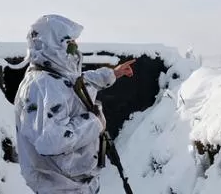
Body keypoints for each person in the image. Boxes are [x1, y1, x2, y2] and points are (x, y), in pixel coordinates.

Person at [14, 14, 135, 194]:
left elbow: (77, 83)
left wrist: (112, 74)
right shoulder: (42, 87)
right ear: (53, 45)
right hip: (60, 187)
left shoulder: (54, 76)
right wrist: (94, 122)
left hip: (76, 185)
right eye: (69, 43)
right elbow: (51, 140)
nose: (75, 49)